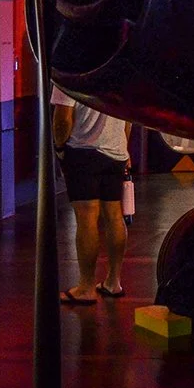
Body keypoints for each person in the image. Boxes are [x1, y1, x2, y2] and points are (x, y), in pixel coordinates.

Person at [53, 87, 131, 304]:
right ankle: (113, 282)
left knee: (87, 218)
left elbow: (62, 120)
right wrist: (124, 149)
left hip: (82, 151)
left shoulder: (69, 76)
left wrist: (60, 148)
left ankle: (86, 287)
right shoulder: (117, 75)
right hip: (116, 151)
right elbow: (128, 119)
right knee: (115, 215)